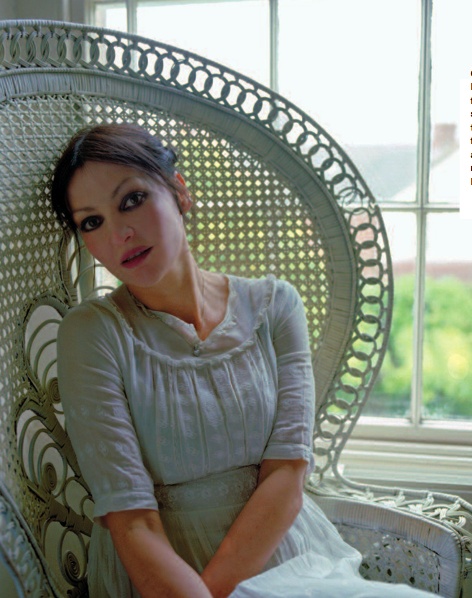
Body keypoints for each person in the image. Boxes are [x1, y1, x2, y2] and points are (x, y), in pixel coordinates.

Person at [52, 123, 434, 598]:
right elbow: (132, 525)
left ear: (179, 192)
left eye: (131, 199)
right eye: (92, 221)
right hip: (165, 580)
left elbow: (287, 477)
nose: (120, 233)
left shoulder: (274, 306)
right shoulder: (93, 333)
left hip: (292, 563)